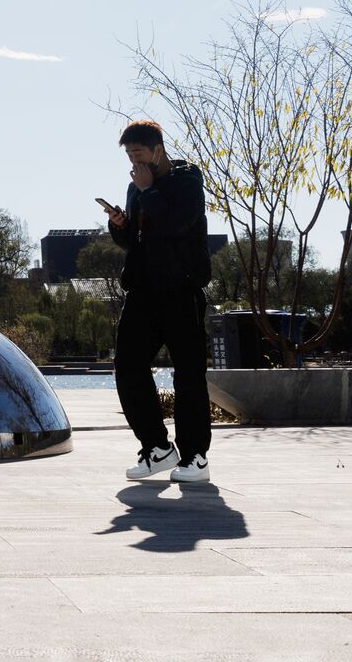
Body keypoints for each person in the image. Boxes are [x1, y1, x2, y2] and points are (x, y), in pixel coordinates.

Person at [105, 119, 214, 484]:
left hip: (181, 290)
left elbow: (178, 223)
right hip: (144, 290)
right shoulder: (136, 187)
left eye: (139, 154)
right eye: (130, 156)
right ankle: (157, 448)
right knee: (127, 365)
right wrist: (121, 226)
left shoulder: (187, 181)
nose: (134, 162)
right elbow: (136, 241)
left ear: (157, 150)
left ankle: (196, 457)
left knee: (188, 373)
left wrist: (149, 190)